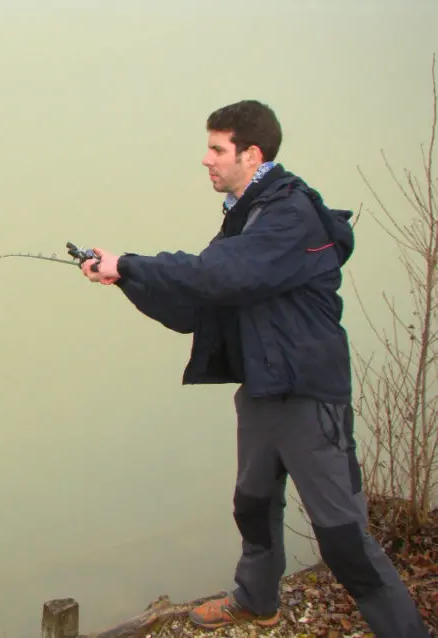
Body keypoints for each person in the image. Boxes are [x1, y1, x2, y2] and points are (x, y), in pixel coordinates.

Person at [79, 100, 429, 637]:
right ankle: (257, 599)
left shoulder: (290, 216)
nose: (206, 160)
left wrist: (129, 260)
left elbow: (220, 275)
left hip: (311, 399)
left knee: (342, 539)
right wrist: (125, 279)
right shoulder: (248, 218)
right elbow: (196, 305)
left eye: (217, 149)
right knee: (253, 504)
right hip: (264, 391)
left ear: (252, 153)